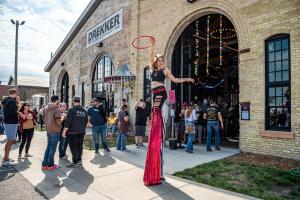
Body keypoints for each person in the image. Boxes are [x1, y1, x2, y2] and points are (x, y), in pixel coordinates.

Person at [143, 38, 194, 186]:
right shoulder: (152, 70)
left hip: (161, 94)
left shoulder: (165, 70)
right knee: (155, 113)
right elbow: (149, 55)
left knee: (158, 114)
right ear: (156, 61)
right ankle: (159, 171)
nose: (160, 62)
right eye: (158, 60)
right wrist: (152, 46)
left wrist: (186, 79)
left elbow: (175, 80)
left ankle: (159, 123)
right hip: (155, 96)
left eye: (162, 60)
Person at [62, 96, 88, 168]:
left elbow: (68, 122)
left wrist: (64, 131)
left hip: (72, 132)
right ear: (79, 101)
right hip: (81, 131)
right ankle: (79, 160)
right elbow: (86, 121)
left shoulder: (71, 110)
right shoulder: (84, 110)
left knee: (74, 147)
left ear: (73, 101)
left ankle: (75, 162)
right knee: (80, 146)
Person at [42, 95, 64, 170]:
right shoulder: (57, 108)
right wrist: (63, 117)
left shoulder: (45, 108)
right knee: (52, 148)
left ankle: (44, 164)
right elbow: (58, 121)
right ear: (57, 100)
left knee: (48, 147)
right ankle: (50, 165)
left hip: (48, 130)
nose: (59, 101)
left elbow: (43, 118)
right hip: (55, 130)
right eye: (59, 100)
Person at [1, 89, 19, 166]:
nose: (17, 95)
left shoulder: (6, 100)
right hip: (10, 123)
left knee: (10, 141)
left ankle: (6, 158)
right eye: (16, 93)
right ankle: (5, 160)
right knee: (10, 141)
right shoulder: (11, 101)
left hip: (8, 122)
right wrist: (19, 112)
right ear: (14, 93)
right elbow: (11, 112)